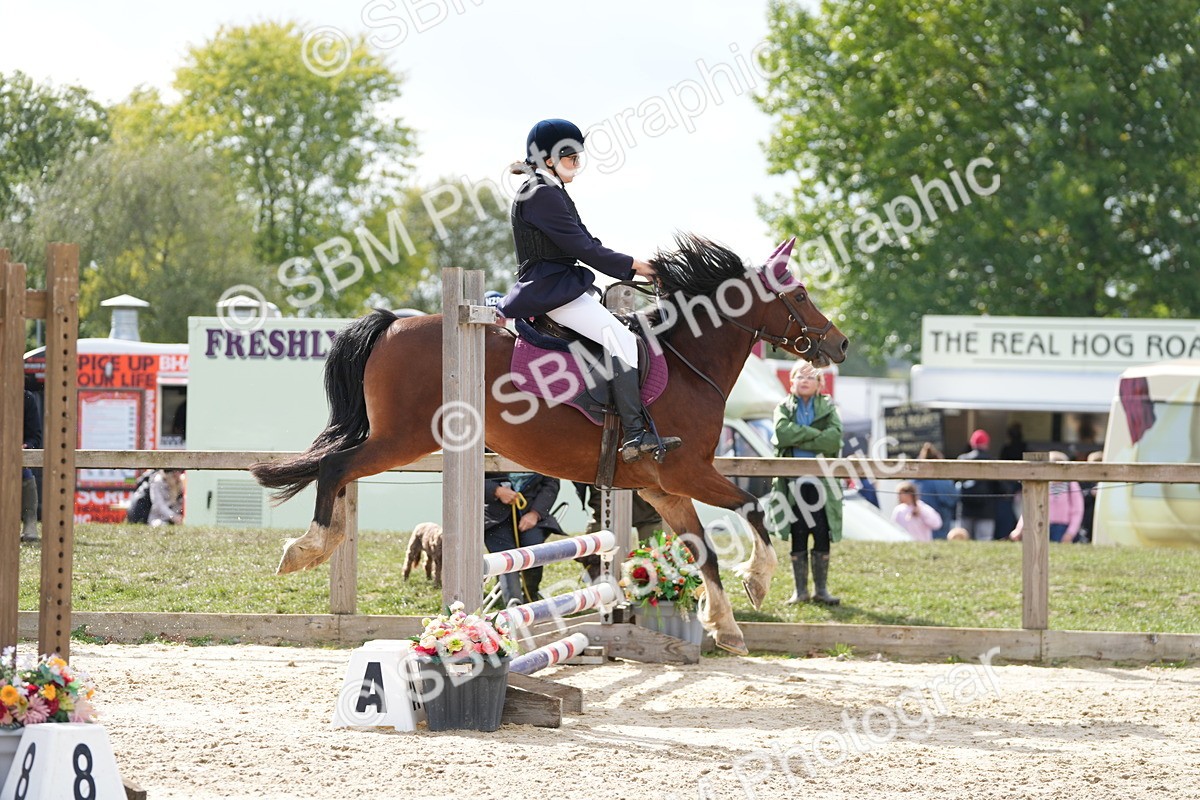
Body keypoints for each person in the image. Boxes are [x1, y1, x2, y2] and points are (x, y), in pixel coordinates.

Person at [497, 118, 680, 464]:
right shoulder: (540, 193)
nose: (577, 165)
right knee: (621, 339)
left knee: (619, 335)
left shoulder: (551, 190)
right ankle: (634, 434)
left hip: (563, 285)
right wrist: (636, 266)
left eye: (579, 157)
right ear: (548, 158)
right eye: (570, 157)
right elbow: (583, 248)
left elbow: (587, 241)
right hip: (552, 289)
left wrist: (632, 268)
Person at [770, 362, 843, 605]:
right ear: (791, 381)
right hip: (792, 482)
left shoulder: (830, 407)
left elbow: (833, 441)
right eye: (800, 376)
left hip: (821, 481)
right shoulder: (783, 407)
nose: (804, 380)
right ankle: (799, 592)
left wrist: (800, 436)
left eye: (810, 377)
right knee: (797, 532)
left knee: (822, 532)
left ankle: (821, 591)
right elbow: (782, 434)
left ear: (820, 383)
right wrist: (815, 435)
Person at [484, 471, 564, 605]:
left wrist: (535, 513)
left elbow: (551, 483)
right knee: (506, 556)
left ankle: (530, 595)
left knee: (533, 547)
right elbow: (468, 475)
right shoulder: (485, 449)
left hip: (531, 513)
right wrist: (496, 490)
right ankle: (514, 605)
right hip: (495, 517)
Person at [1009, 452, 1084, 543]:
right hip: (1041, 524)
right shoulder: (1042, 485)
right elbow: (1030, 508)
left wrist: (1070, 533)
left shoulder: (1071, 485)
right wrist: (1019, 529)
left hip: (1062, 528)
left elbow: (1077, 511)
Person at [956, 429, 1001, 541]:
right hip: (986, 509)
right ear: (987, 444)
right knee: (984, 540)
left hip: (966, 507)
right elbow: (1001, 487)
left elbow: (955, 481)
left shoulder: (962, 459)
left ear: (972, 443)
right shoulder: (993, 461)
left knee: (963, 541)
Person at [914, 442, 958, 540]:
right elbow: (952, 499)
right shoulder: (943, 480)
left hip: (918, 528)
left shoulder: (914, 480)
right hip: (940, 527)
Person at [20, 389, 42, 543]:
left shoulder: (27, 398)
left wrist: (26, 446)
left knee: (26, 474)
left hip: (17, 456)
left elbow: (34, 436)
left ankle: (29, 524)